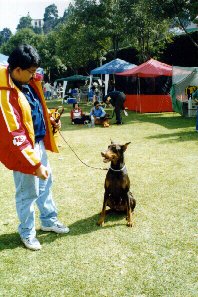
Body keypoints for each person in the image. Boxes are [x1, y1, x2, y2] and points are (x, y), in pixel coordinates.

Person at [0, 44, 69, 251]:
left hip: (37, 143)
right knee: (27, 193)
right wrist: (35, 163)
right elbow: (15, 135)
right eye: (30, 72)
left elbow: (36, 110)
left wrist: (50, 121)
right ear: (17, 70)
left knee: (46, 185)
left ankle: (48, 220)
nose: (34, 76)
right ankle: (27, 232)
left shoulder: (27, 83)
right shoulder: (4, 93)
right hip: (22, 151)